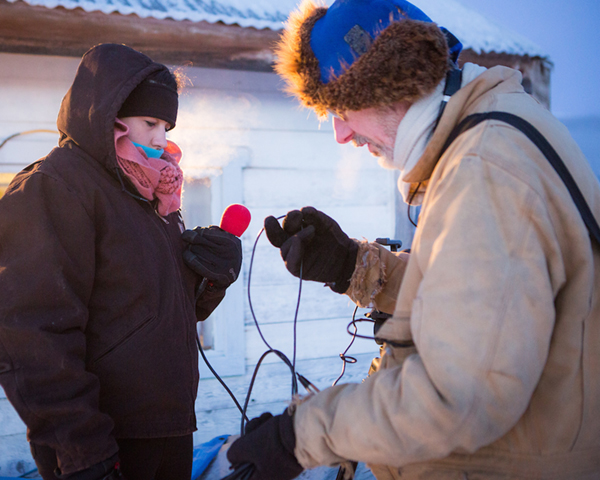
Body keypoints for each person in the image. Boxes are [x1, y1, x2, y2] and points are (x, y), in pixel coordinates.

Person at [226, 0, 600, 479]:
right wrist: (351, 266)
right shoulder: (489, 135)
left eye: (342, 108)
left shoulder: (483, 170)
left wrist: (300, 434)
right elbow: (476, 303)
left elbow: (459, 395)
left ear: (392, 82)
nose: (340, 134)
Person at [0, 43, 243, 480]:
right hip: (104, 441)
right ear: (106, 113)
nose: (159, 138)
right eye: (150, 122)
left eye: (165, 126)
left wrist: (209, 279)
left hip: (167, 428)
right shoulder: (56, 187)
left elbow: (150, 313)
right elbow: (31, 333)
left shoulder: (149, 192)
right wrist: (81, 452)